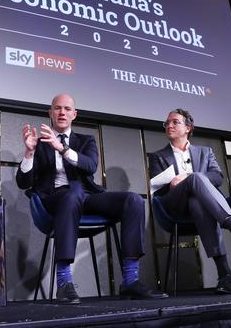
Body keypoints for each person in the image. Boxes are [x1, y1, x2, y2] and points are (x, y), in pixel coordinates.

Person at [16, 94, 167, 303]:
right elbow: (23, 183)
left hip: (87, 197)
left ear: (74, 115)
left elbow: (90, 165)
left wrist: (63, 149)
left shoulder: (85, 140)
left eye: (67, 109)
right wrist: (29, 152)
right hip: (53, 200)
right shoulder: (39, 143)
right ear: (50, 113)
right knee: (72, 193)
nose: (62, 112)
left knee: (132, 200)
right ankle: (64, 282)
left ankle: (130, 281)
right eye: (57, 108)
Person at [148, 109, 231, 294]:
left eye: (175, 122)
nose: (169, 126)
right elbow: (158, 188)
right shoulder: (158, 156)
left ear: (188, 128)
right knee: (195, 178)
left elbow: (217, 177)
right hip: (174, 203)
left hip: (201, 205)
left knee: (198, 203)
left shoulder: (205, 152)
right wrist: (183, 181)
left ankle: (225, 277)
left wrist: (188, 177)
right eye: (167, 123)